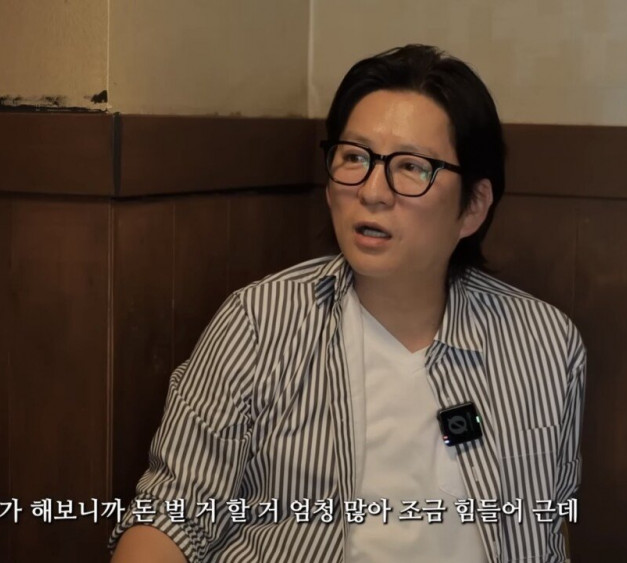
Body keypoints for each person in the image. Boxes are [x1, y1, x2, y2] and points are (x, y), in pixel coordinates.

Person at [109, 44, 586, 563]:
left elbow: (547, 530)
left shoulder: (545, 342)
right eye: (355, 158)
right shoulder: (261, 322)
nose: (373, 191)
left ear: (472, 206)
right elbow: (170, 516)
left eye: (412, 166)